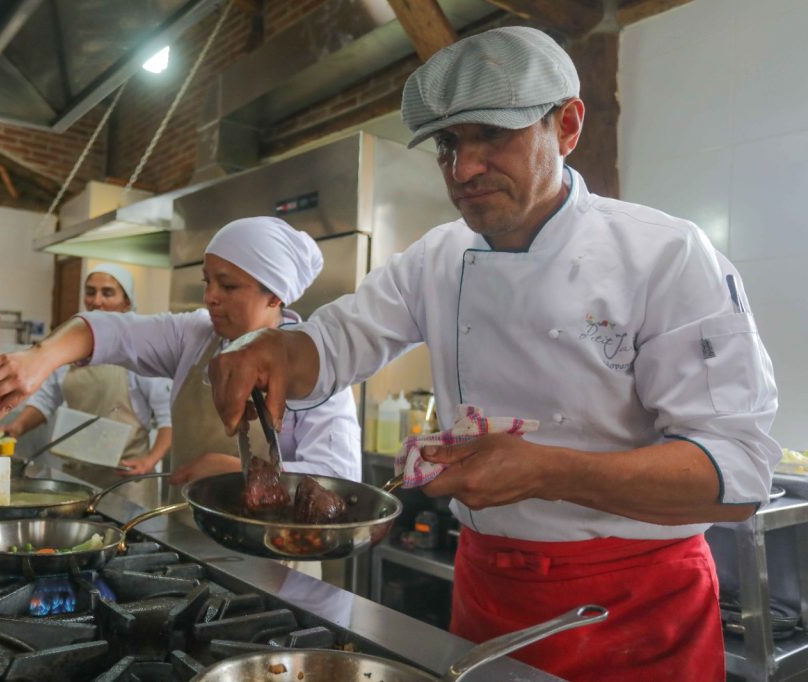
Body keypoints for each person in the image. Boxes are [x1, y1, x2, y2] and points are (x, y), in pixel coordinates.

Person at [205, 27, 780, 682]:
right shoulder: (438, 256)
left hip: (634, 613)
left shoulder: (667, 256)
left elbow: (739, 475)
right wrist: (275, 347)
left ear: (567, 126)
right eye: (449, 144)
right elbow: (336, 341)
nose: (464, 168)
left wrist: (550, 472)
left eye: (493, 136)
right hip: (486, 594)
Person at [0, 217, 361, 514]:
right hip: (189, 547)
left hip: (274, 569)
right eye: (207, 282)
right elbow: (114, 331)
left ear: (274, 295)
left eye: (227, 286)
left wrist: (239, 472)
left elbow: (340, 485)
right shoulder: (194, 334)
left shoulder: (318, 372)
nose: (210, 297)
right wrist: (41, 357)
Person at [0, 264, 173, 509]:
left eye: (108, 293)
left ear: (127, 302)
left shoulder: (140, 351)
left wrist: (150, 461)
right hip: (78, 477)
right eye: (90, 292)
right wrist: (18, 426)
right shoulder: (71, 346)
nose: (97, 301)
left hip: (127, 481)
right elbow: (46, 400)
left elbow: (169, 418)